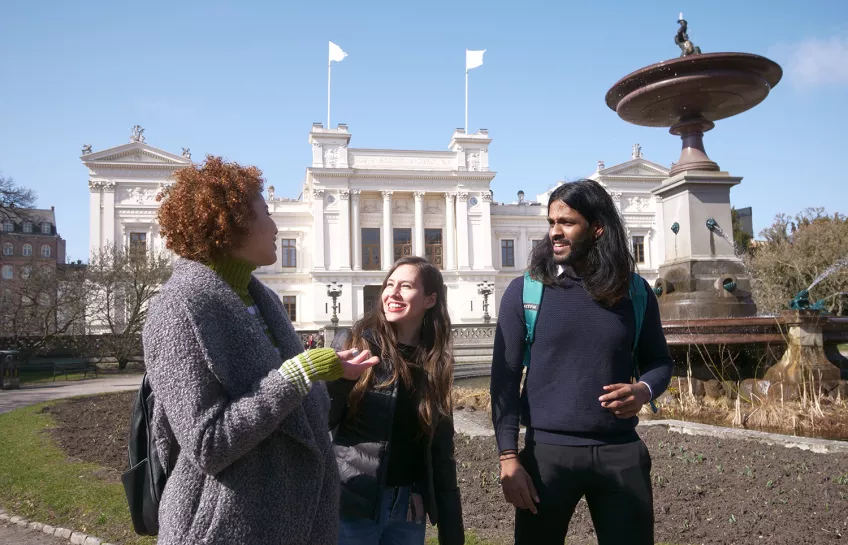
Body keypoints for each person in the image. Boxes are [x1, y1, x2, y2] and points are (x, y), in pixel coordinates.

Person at [143, 156, 378, 545]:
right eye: (266, 213)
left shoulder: (262, 299)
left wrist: (329, 374)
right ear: (230, 221)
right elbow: (209, 443)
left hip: (295, 524)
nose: (276, 226)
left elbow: (293, 416)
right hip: (225, 527)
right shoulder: (179, 307)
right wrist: (301, 371)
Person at [490, 179, 673, 545]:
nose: (554, 232)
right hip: (547, 457)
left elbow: (660, 363)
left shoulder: (634, 292)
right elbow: (505, 382)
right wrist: (508, 458)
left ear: (597, 228)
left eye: (567, 223)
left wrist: (643, 389)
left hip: (620, 453)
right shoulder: (526, 292)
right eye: (551, 222)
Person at [327, 256, 464, 545]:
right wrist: (340, 380)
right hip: (352, 503)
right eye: (390, 285)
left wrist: (452, 531)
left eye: (406, 286)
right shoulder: (355, 344)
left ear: (430, 299)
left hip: (408, 508)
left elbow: (440, 449)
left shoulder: (435, 361)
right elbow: (322, 418)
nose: (393, 293)